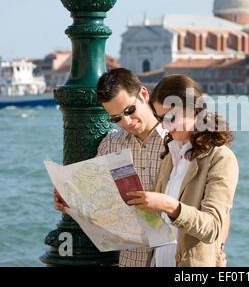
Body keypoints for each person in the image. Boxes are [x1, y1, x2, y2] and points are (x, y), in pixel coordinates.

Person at [53, 68, 166, 267]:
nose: (127, 121)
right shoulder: (111, 144)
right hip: (133, 261)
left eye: (130, 110)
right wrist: (68, 199)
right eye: (116, 118)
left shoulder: (176, 141)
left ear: (143, 94)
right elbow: (94, 199)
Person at [126, 74, 239, 267]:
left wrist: (170, 206)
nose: (164, 125)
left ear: (195, 110)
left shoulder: (221, 158)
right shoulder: (170, 156)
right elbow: (155, 224)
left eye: (171, 117)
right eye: (160, 118)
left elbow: (213, 228)